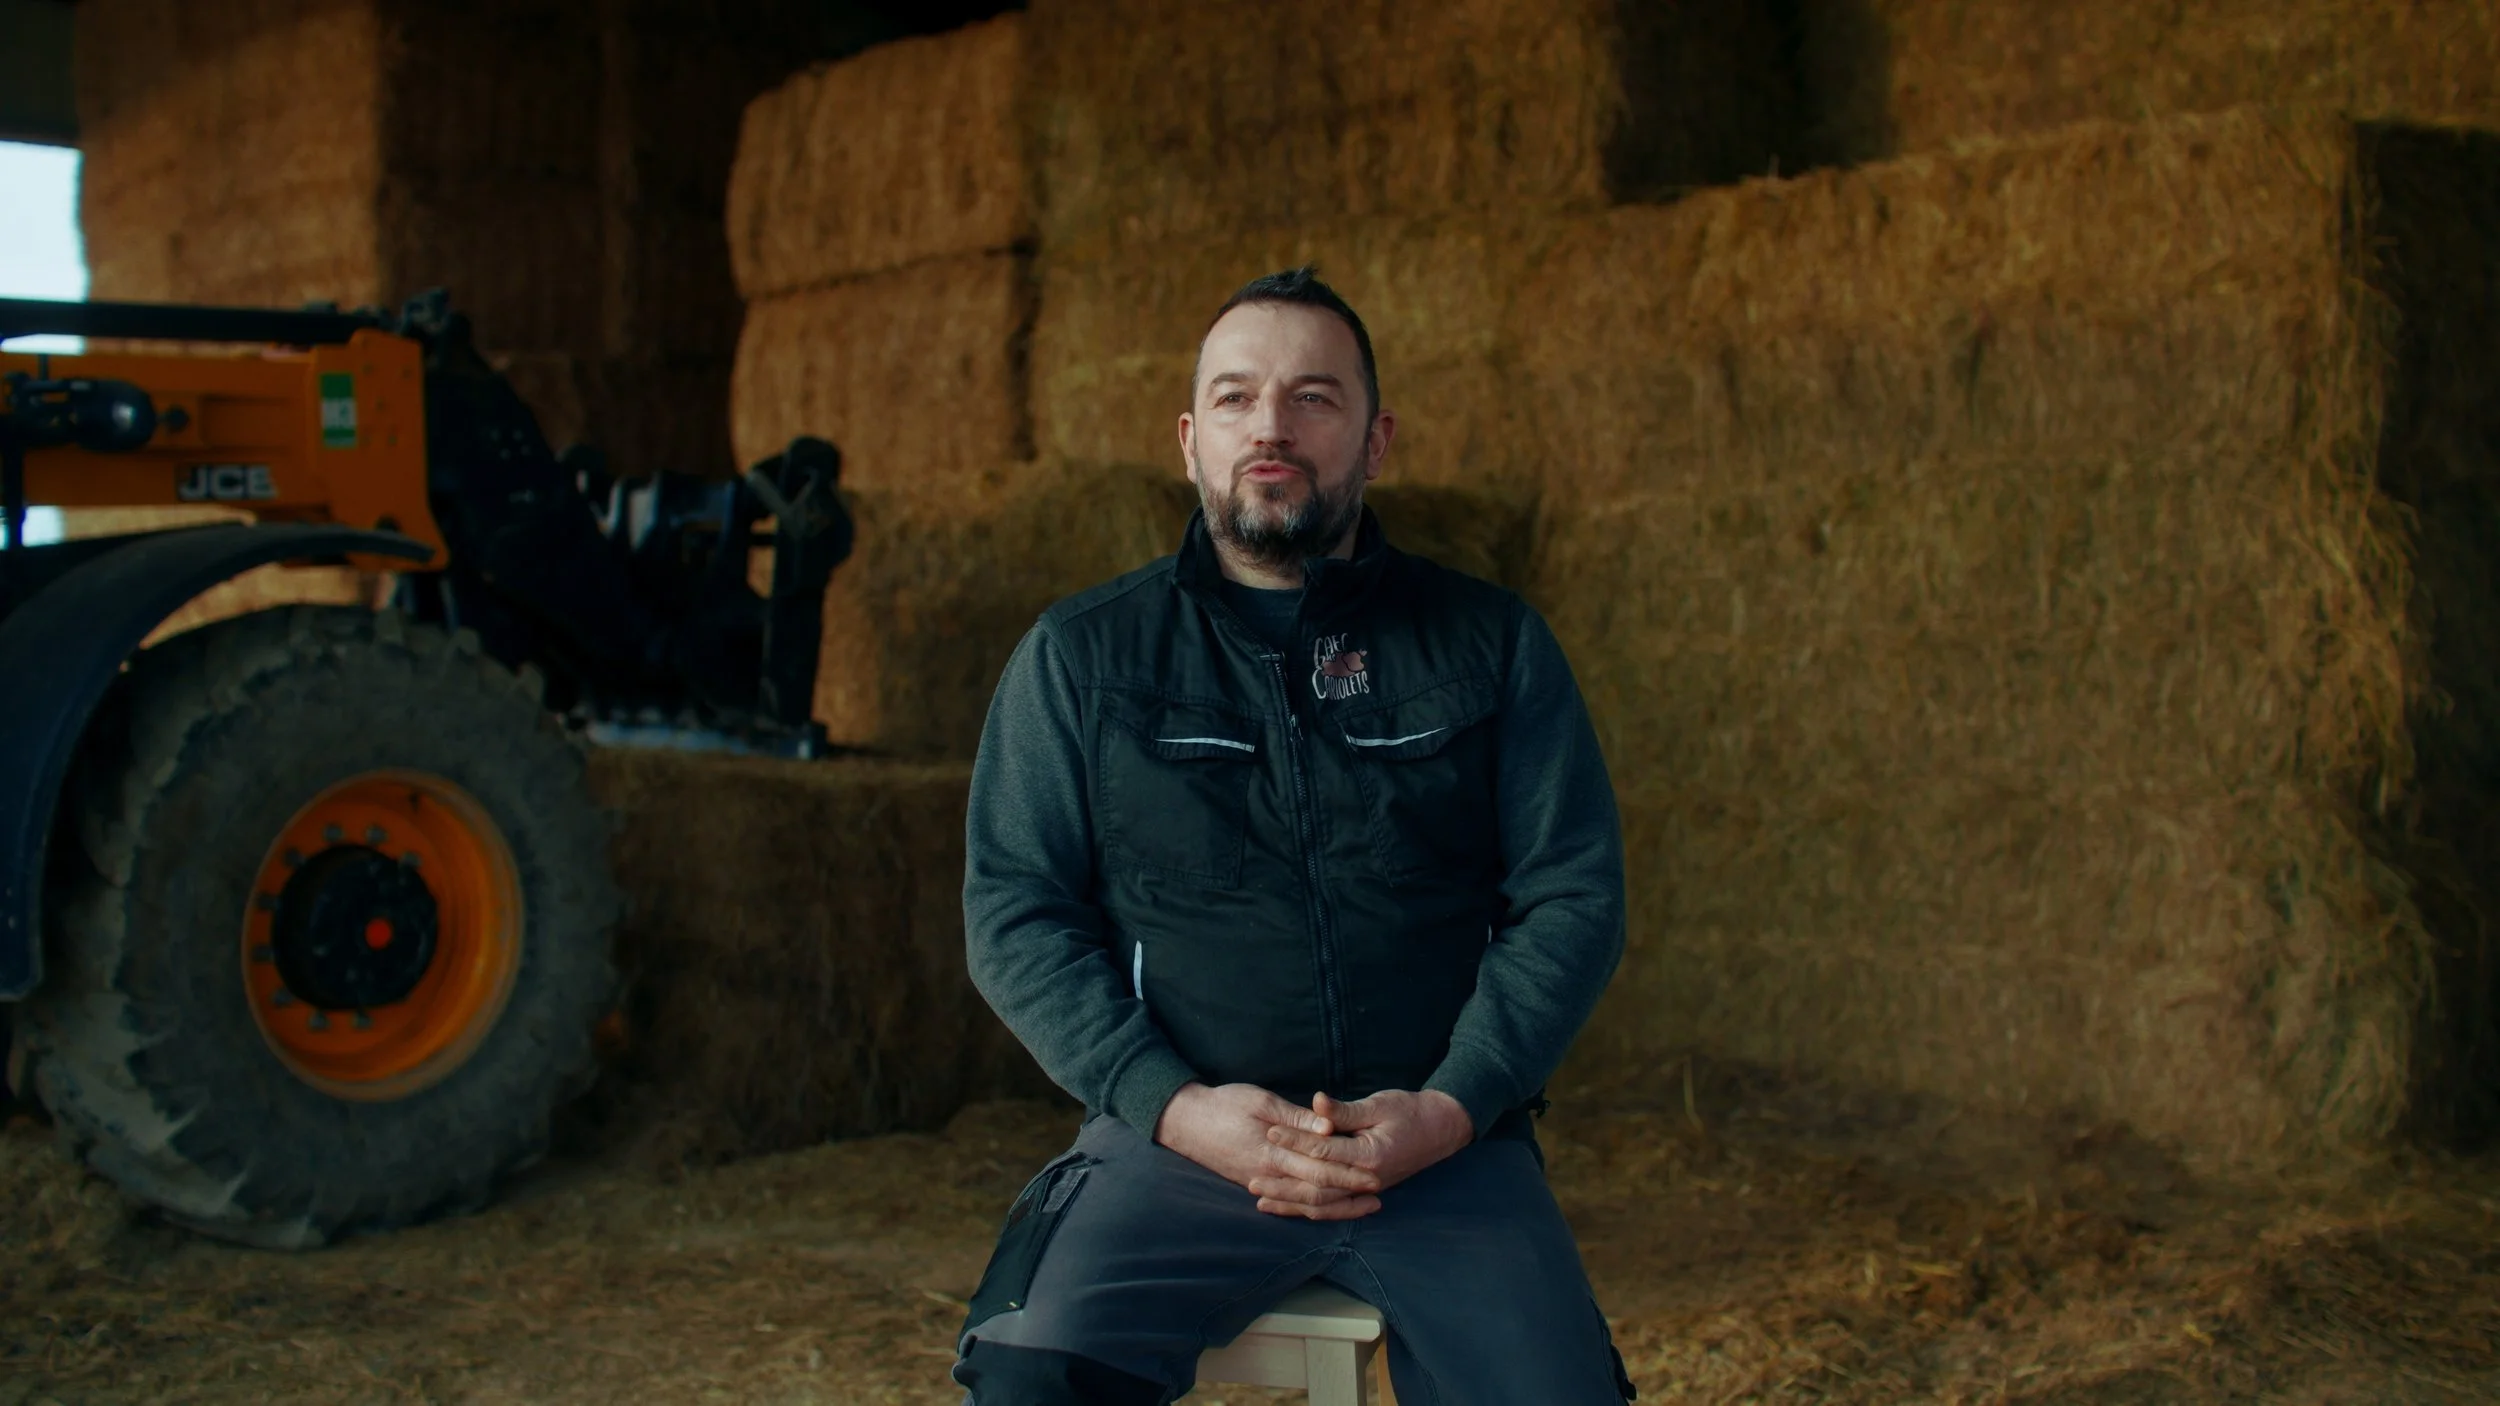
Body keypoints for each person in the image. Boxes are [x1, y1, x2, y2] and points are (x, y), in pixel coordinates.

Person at [953, 267, 1634, 1404]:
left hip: (1442, 1149)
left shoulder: (1492, 644)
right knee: (1029, 1374)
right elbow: (1013, 910)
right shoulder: (1083, 658)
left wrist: (1458, 1101)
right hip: (1176, 1150)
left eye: (1313, 397)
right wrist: (1167, 1102)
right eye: (1234, 398)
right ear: (1188, 439)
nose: (1269, 425)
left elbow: (1572, 893)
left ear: (1374, 441)